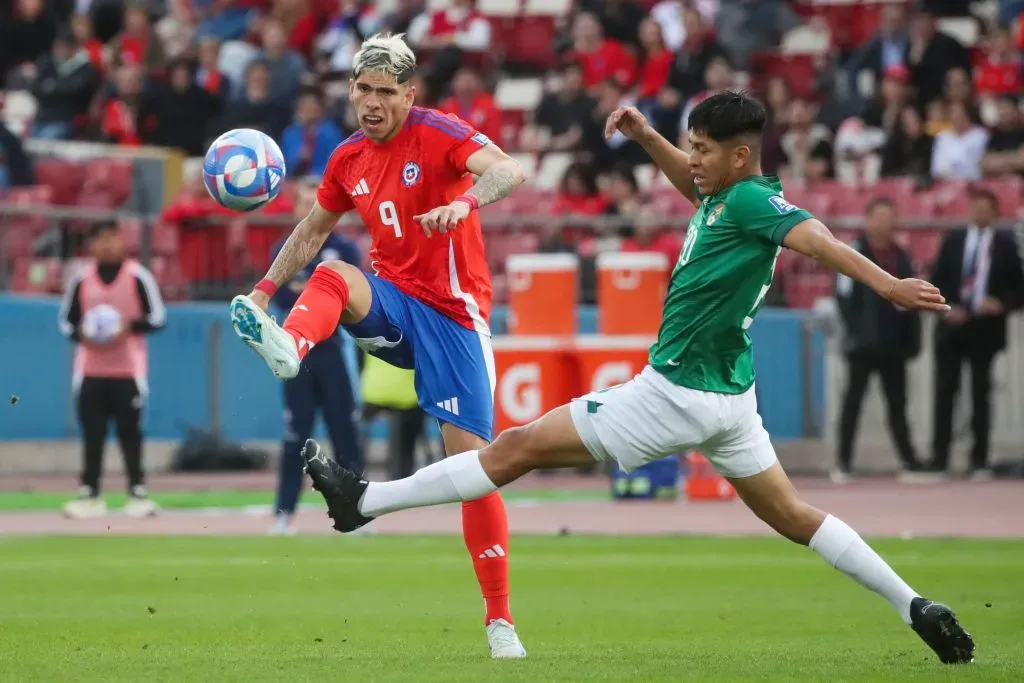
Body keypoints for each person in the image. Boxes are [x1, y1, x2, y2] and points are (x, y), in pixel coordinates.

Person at [301, 92, 976, 666]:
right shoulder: (728, 195)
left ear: (740, 156)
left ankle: (364, 502)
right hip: (732, 399)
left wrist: (889, 284)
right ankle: (913, 604)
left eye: (704, 148)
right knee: (795, 516)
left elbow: (817, 238)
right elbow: (693, 182)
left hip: (674, 393)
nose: (695, 160)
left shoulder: (752, 206)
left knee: (513, 448)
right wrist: (649, 136)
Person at [227, 33, 528, 659]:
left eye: (385, 91)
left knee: (474, 472)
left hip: (454, 320)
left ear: (408, 94)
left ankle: (499, 620)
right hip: (393, 304)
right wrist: (261, 292)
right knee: (334, 273)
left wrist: (466, 203)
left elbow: (509, 167)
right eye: (362, 88)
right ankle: (291, 345)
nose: (371, 101)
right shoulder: (347, 158)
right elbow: (311, 231)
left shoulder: (439, 131)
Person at [57, 220, 166, 519]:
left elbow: (158, 317)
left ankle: (137, 491)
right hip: (90, 370)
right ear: (92, 245)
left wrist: (128, 326)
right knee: (93, 433)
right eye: (100, 239)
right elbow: (66, 322)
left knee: (130, 432)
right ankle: (90, 493)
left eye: (112, 238)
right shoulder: (81, 279)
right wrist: (85, 333)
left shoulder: (137, 277)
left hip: (128, 370)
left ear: (121, 241)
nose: (107, 245)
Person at [268, 213, 365, 536]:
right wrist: (320, 294)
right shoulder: (285, 247)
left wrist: (305, 289)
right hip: (296, 354)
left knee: (345, 435)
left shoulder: (345, 248)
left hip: (334, 350)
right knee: (295, 435)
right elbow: (281, 295)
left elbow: (352, 297)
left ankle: (360, 511)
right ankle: (283, 514)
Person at [929, 187, 1024, 478]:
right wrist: (948, 308)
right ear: (968, 211)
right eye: (975, 207)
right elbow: (937, 280)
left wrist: (1001, 304)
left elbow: (1019, 289)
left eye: (986, 208)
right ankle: (939, 458)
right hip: (952, 327)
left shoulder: (1006, 244)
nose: (980, 213)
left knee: (981, 394)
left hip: (985, 329)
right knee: (945, 393)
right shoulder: (954, 240)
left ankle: (980, 459)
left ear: (995, 213)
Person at [833, 198, 923, 482]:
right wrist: (857, 331)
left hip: (894, 344)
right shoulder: (854, 251)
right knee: (853, 403)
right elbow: (844, 296)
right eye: (879, 217)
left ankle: (909, 461)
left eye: (889, 217)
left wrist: (911, 340)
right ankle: (843, 462)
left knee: (898, 405)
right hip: (862, 345)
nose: (884, 223)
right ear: (868, 219)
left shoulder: (901, 255)